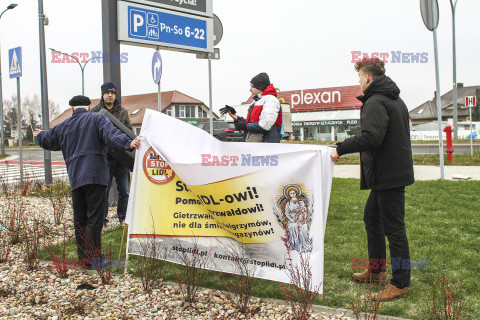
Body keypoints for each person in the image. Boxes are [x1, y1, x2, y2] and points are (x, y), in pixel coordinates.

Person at [330, 58, 414, 302]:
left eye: (359, 78)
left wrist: (341, 148)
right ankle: (376, 271)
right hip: (388, 175)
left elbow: (371, 137)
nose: (358, 83)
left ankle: (400, 283)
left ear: (367, 77)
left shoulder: (376, 101)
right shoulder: (395, 99)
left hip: (388, 175)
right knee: (372, 220)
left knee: (394, 230)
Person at [35, 95, 140, 267]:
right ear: (89, 107)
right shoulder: (97, 118)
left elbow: (49, 140)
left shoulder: (63, 126)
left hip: (76, 178)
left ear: (72, 110)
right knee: (95, 219)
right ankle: (95, 258)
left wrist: (39, 136)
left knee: (80, 220)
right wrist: (128, 143)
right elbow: (112, 135)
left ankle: (84, 258)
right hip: (96, 177)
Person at [90, 82, 133, 227]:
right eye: (107, 93)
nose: (110, 95)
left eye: (113, 93)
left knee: (124, 190)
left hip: (122, 158)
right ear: (102, 94)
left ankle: (123, 219)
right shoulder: (95, 111)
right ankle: (102, 221)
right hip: (104, 158)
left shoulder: (123, 111)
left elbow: (128, 131)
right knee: (103, 191)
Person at [227, 72, 282, 142]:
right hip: (257, 145)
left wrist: (244, 126)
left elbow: (264, 125)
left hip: (266, 146)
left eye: (253, 86)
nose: (250, 89)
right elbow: (252, 122)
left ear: (260, 87)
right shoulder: (257, 101)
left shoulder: (271, 100)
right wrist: (237, 118)